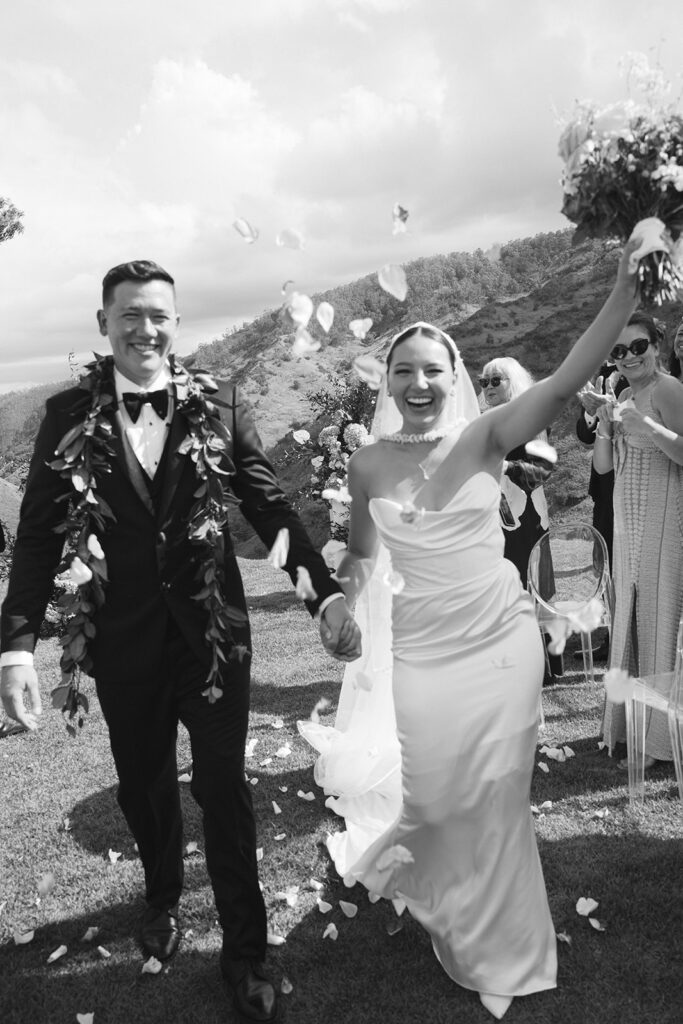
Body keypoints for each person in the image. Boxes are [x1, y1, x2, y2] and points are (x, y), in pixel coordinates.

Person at [0, 260, 361, 1024]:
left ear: (175, 321)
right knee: (144, 788)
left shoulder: (219, 401)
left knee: (224, 792)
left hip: (215, 641)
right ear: (104, 323)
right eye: (129, 314)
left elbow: (268, 508)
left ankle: (247, 953)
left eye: (159, 314)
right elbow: (35, 539)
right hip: (122, 646)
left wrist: (321, 596)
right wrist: (17, 647)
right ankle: (160, 898)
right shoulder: (67, 414)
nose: (146, 328)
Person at [329, 238, 639, 1019]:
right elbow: (361, 559)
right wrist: (340, 602)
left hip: (498, 646)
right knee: (435, 804)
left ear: (455, 375)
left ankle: (506, 949)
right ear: (388, 382)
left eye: (434, 368)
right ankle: (442, 898)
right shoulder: (367, 465)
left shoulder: (486, 437)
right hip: (423, 655)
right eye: (404, 369)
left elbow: (569, 378)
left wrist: (623, 292)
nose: (420, 382)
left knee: (497, 803)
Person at [595, 312, 683, 770]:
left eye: (638, 346)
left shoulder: (668, 389)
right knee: (628, 618)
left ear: (656, 344)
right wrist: (607, 419)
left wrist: (645, 425)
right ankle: (629, 728)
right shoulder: (625, 394)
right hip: (627, 521)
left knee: (657, 620)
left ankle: (658, 740)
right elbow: (605, 467)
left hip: (665, 520)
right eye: (619, 350)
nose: (629, 357)